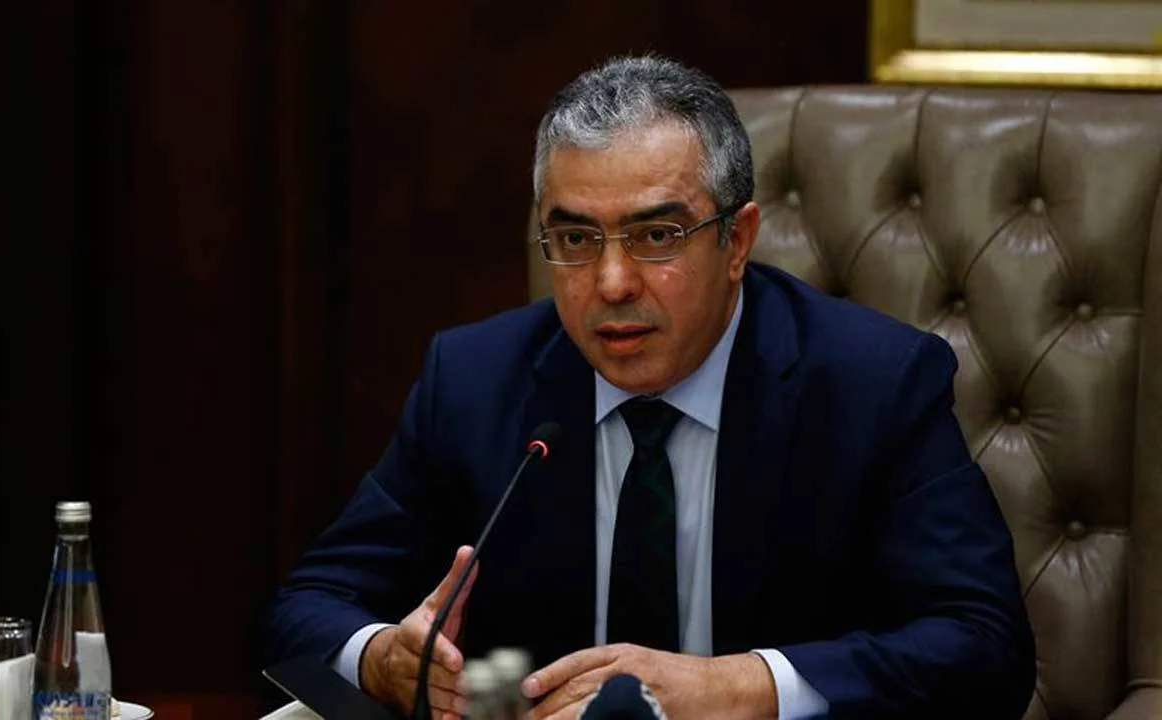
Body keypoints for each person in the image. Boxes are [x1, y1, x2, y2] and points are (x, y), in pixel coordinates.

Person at [266, 56, 1035, 719]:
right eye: (575, 238)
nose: (611, 282)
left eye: (656, 236)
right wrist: (383, 660)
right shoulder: (475, 382)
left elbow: (985, 648)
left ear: (737, 241)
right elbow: (306, 607)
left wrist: (738, 687)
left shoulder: (874, 385)